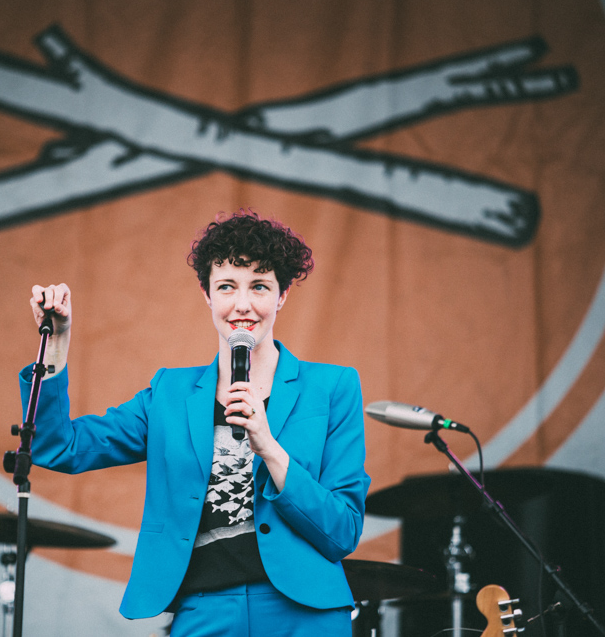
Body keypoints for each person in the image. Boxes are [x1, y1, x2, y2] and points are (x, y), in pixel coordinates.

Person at [20, 210, 369, 636]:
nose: (243, 305)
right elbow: (59, 446)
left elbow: (344, 530)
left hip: (303, 612)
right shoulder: (170, 394)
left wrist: (270, 448)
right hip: (204, 611)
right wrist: (54, 345)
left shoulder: (332, 386)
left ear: (282, 295)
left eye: (259, 286)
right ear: (207, 295)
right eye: (227, 287)